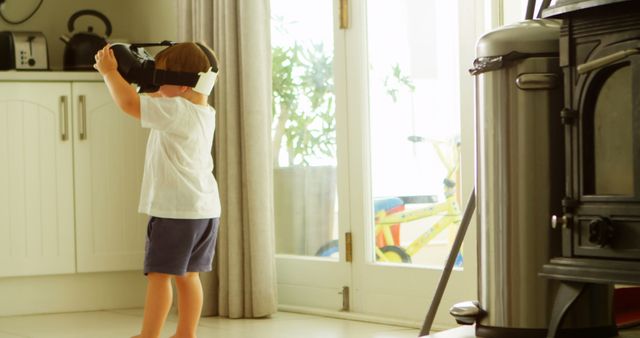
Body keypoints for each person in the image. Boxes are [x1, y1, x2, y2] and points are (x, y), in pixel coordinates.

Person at [93, 42, 221, 338]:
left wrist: (110, 73)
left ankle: (148, 335)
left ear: (183, 83)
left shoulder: (175, 110)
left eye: (161, 77)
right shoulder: (202, 111)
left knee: (159, 276)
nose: (156, 83)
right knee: (189, 276)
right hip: (203, 210)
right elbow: (156, 94)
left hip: (174, 211)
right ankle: (186, 333)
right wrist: (146, 79)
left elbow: (129, 104)